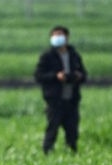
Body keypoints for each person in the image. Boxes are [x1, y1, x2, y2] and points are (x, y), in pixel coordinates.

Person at [34, 25, 87, 154]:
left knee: (72, 130)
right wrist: (56, 76)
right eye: (54, 35)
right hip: (54, 100)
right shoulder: (47, 56)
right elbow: (39, 75)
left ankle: (72, 152)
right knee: (52, 128)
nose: (57, 38)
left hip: (71, 99)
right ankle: (47, 152)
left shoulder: (74, 55)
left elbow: (84, 74)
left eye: (60, 35)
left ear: (67, 37)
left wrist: (78, 76)